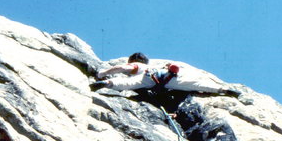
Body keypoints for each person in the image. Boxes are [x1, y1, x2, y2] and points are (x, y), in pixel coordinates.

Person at [94, 52, 238, 95]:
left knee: (128, 83)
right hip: (167, 77)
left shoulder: (138, 65)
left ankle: (107, 83)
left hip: (149, 78)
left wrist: (103, 73)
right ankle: (223, 89)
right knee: (193, 84)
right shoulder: (149, 65)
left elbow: (121, 68)